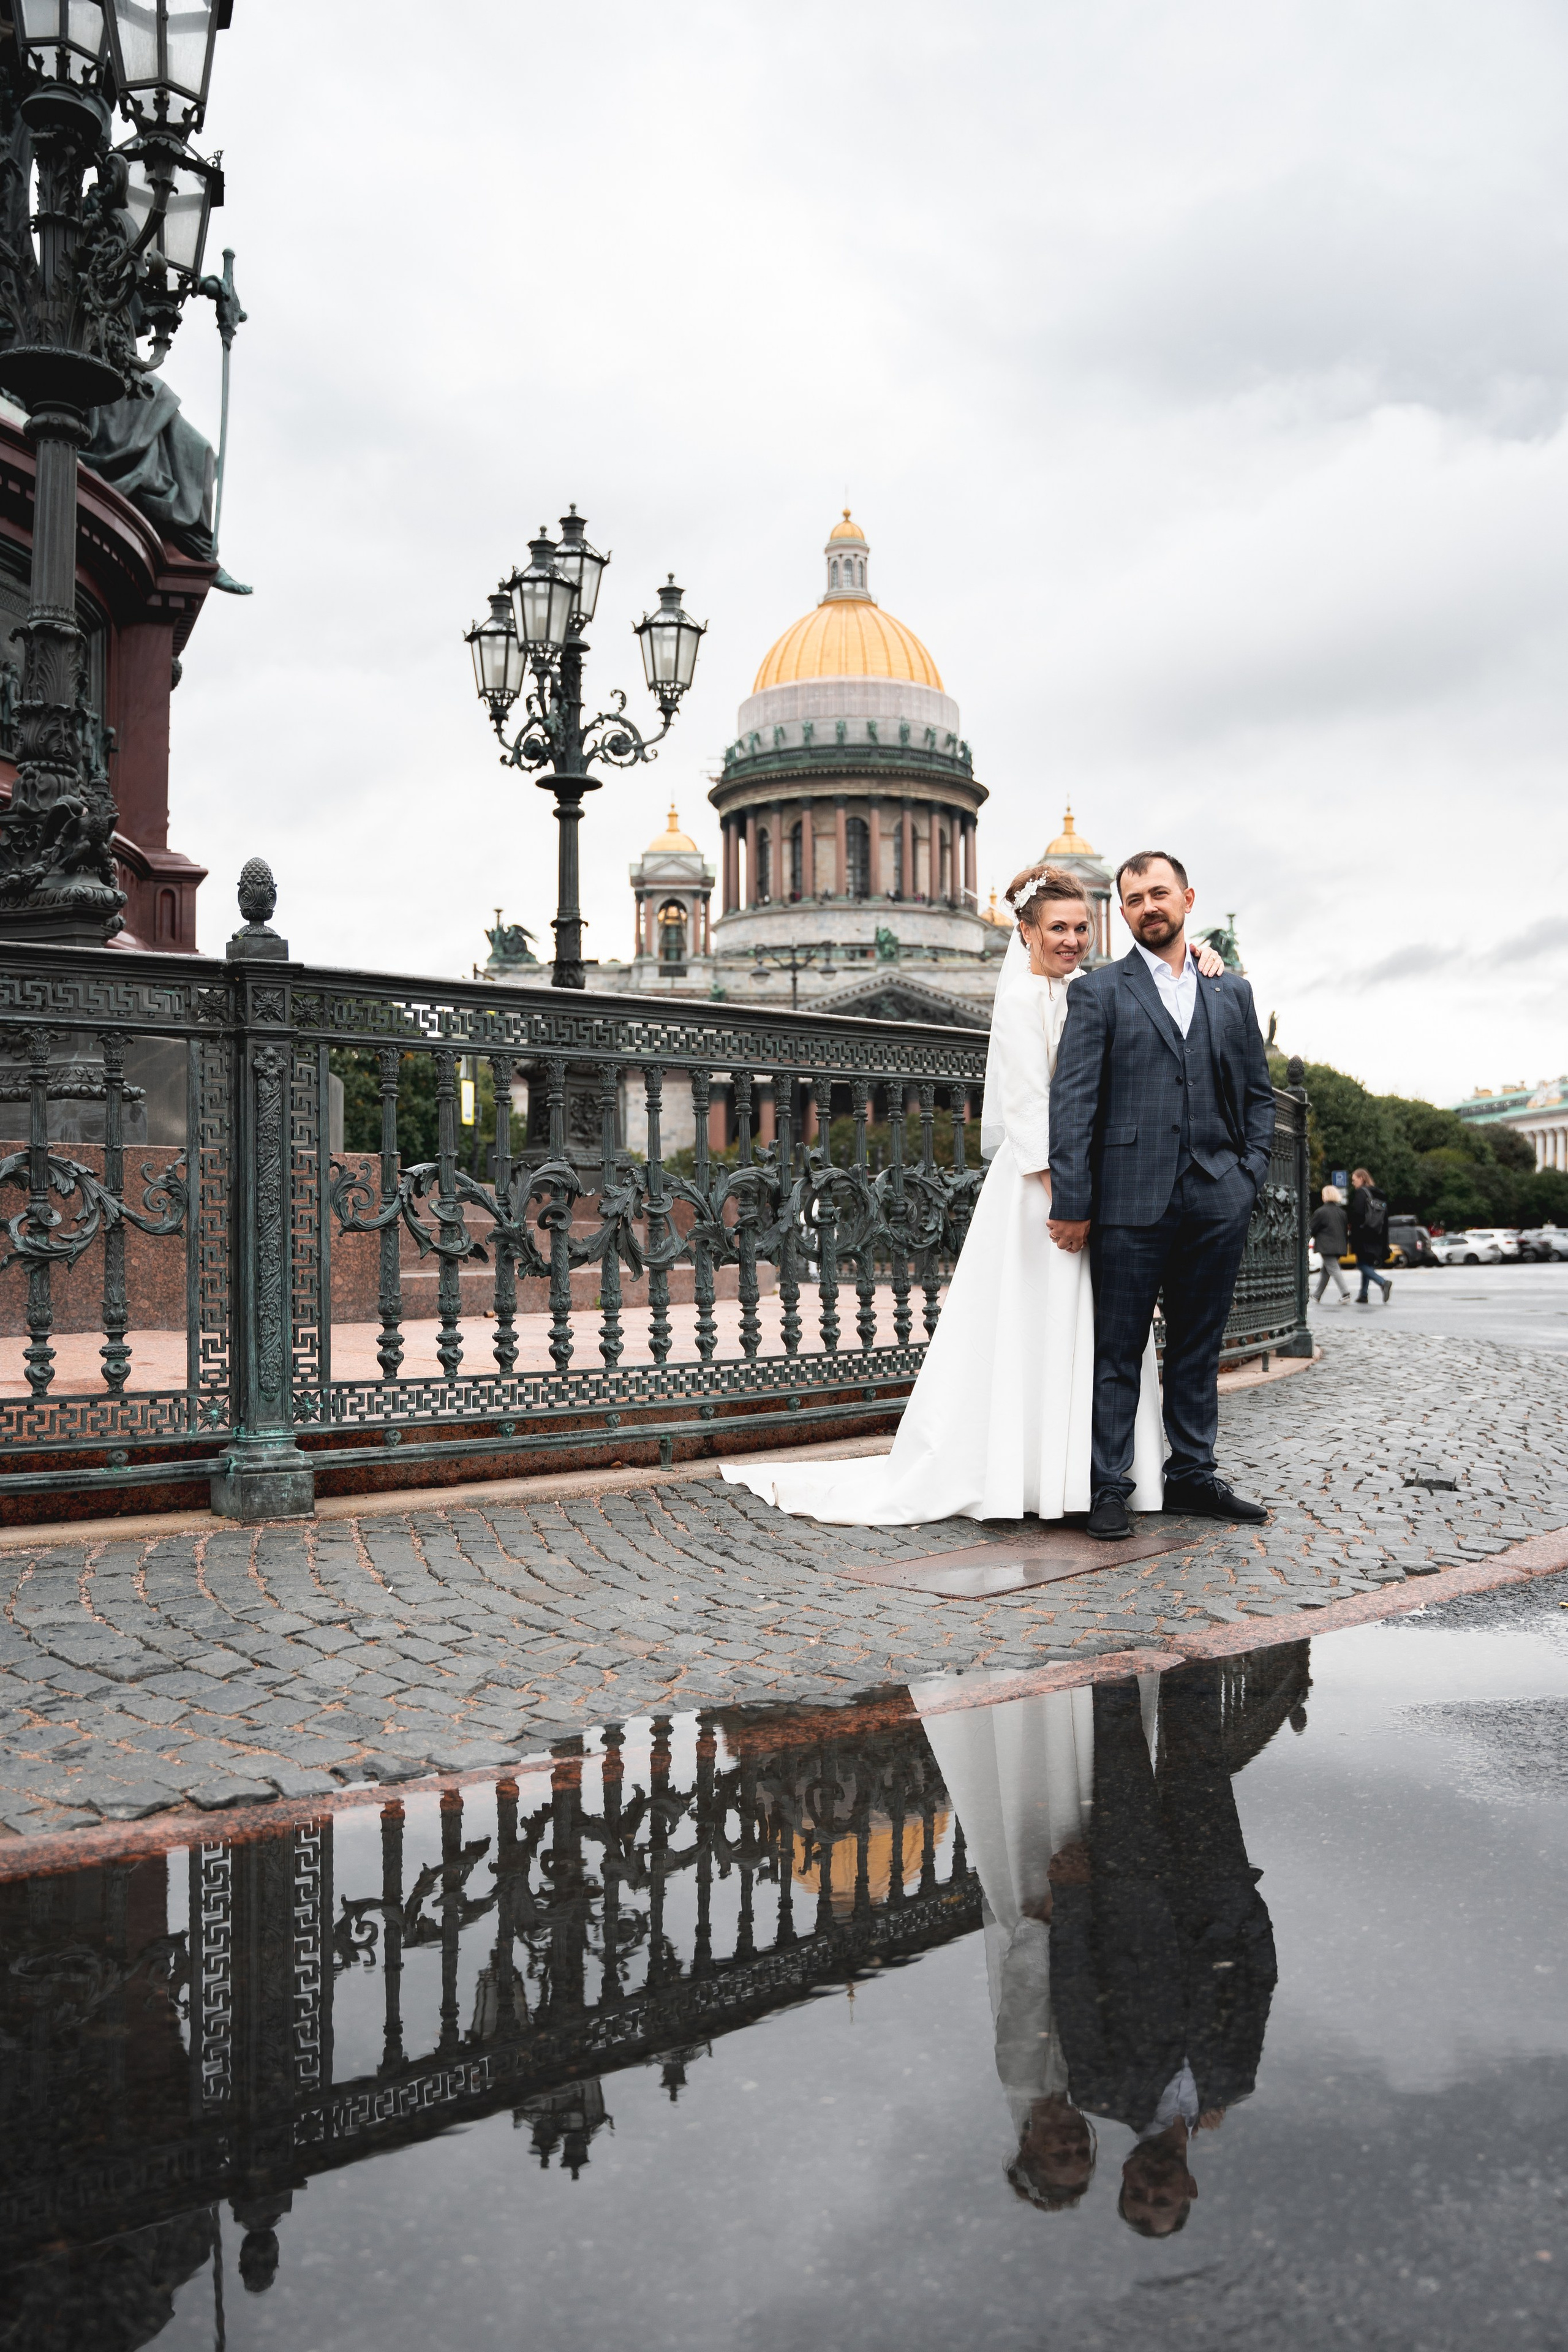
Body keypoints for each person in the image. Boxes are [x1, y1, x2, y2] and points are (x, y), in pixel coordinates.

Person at [722, 865, 1227, 1526]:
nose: (1072, 939)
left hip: (1097, 1189)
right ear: (1024, 932)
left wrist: (1197, 954)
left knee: (1096, 1333)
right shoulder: (1022, 1000)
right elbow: (1025, 1108)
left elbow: (1157, 991)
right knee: (1046, 1326)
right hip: (1047, 1195)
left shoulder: (1094, 990)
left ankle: (1082, 1476)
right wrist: (1067, 1202)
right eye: (1058, 929)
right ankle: (1047, 1477)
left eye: (1081, 927)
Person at [1047, 852, 1276, 1541]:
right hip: (1127, 1199)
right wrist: (1074, 1200)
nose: (1148, 906)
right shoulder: (1099, 992)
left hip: (1216, 1195)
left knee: (1198, 1346)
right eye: (1134, 898)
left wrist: (1248, 1174)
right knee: (1117, 1349)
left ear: (1187, 899)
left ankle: (1193, 1476)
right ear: (1122, 912)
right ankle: (1109, 1486)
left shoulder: (1230, 992)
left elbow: (1256, 1095)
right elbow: (1074, 1105)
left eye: (1159, 893)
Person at [1047, 1663, 1278, 2239]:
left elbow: (1074, 1990)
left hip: (1131, 1892)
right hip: (1213, 1884)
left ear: (1123, 2174)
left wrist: (1074, 1899)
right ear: (1189, 2189)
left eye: (1138, 2195)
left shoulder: (1100, 2092)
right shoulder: (1231, 2084)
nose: (1153, 2187)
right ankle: (1195, 1625)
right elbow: (1257, 1989)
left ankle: (1105, 1620)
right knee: (1198, 1745)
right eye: (1163, 2199)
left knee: (1119, 1744)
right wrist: (1244, 1908)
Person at [1348, 1167, 1393, 1305]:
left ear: (1361, 1178)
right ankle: (1363, 1294)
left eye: (1354, 1179)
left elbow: (1358, 1214)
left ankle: (1383, 1282)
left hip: (1363, 1234)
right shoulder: (1378, 1194)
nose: (1352, 1183)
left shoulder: (1361, 1193)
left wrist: (1351, 1229)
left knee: (1361, 1265)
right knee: (1367, 1263)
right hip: (1377, 1234)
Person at [1310, 1185, 1352, 1304]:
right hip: (1340, 1246)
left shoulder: (1321, 1212)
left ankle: (1345, 1294)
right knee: (1326, 1271)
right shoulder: (1342, 1212)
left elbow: (1311, 1229)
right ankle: (1317, 1295)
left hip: (1326, 1246)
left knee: (1333, 1269)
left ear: (1325, 1196)